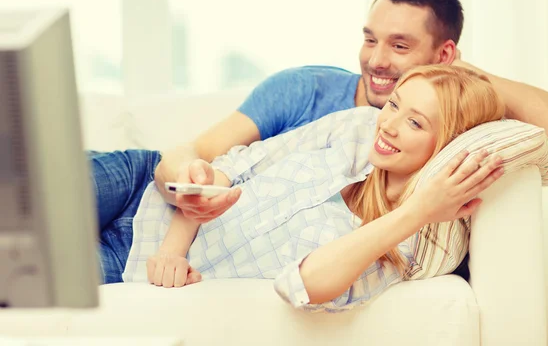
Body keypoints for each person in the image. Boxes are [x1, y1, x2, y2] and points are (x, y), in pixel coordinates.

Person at [90, 0, 548, 285]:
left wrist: (451, 79)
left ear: (443, 55)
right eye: (369, 39)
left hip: (152, 254)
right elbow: (194, 155)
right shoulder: (306, 91)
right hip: (139, 185)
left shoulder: (435, 132)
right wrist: (188, 189)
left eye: (400, 46)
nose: (376, 61)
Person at [100, 65, 506, 312]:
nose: (390, 124)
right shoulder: (357, 126)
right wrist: (171, 250)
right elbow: (232, 167)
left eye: (415, 122)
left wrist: (417, 211)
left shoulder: (412, 239)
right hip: (139, 182)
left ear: (446, 143)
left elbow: (305, 285)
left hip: (125, 260)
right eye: (395, 105)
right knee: (35, 181)